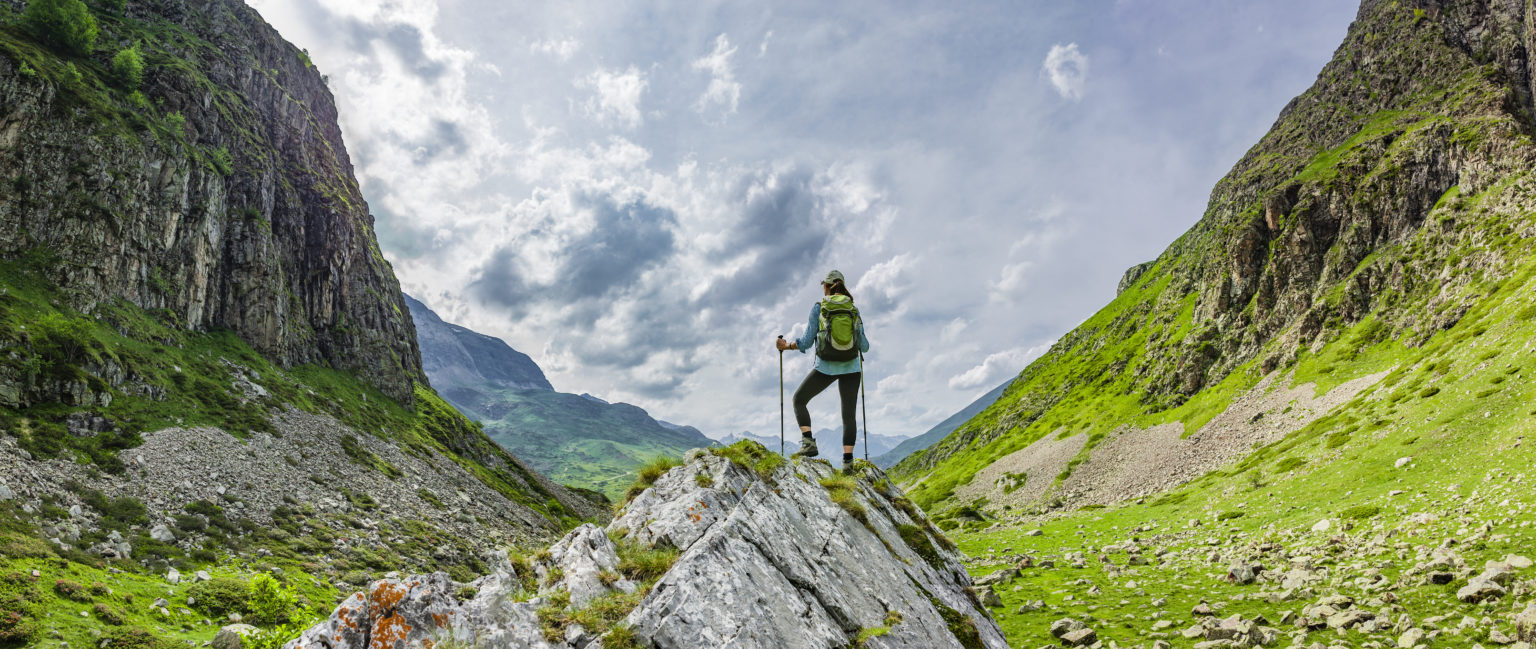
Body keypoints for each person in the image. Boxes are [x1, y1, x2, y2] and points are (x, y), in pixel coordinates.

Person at [775, 269, 871, 473]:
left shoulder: (819, 308)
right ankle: (847, 464)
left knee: (799, 400)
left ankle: (808, 443)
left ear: (826, 287)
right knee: (849, 416)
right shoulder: (853, 310)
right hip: (852, 368)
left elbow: (807, 342)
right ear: (843, 286)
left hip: (825, 367)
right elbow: (864, 346)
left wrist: (787, 346)